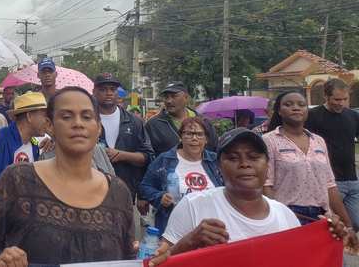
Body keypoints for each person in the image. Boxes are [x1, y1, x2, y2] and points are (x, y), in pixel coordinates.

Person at [0, 87, 135, 266]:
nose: (78, 123)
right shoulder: (18, 180)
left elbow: (129, 257)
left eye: (87, 117)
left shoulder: (118, 193)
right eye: (66, 117)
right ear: (50, 126)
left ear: (98, 128)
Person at [150, 127, 356, 265]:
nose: (244, 164)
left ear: (267, 166)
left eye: (254, 157)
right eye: (232, 158)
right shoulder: (194, 205)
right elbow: (155, 263)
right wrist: (189, 243)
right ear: (219, 167)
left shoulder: (285, 217)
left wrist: (326, 237)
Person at [263, 90, 355, 230]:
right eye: (288, 104)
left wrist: (347, 224)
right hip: (289, 215)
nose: (296, 107)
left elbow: (329, 184)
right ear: (279, 111)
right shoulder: (269, 140)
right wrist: (277, 216)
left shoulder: (318, 141)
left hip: (321, 216)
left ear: (307, 110)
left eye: (302, 104)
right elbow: (266, 184)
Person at [0, 92, 49, 232]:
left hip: (20, 227)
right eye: (44, 115)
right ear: (29, 116)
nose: (48, 120)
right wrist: (1, 209)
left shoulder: (34, 146)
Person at [139, 116, 223, 234]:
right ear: (181, 137)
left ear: (206, 139)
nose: (194, 138)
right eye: (188, 134)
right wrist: (160, 197)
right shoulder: (164, 160)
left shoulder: (216, 161)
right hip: (174, 229)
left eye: (199, 134)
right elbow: (145, 187)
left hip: (211, 229)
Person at [306, 78, 359, 230]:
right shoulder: (312, 116)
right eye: (336, 99)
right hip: (327, 183)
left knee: (355, 223)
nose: (341, 103)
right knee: (331, 226)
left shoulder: (353, 116)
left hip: (352, 179)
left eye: (344, 99)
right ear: (326, 96)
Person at [93, 73, 154, 198]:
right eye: (103, 89)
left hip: (126, 191)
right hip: (93, 189)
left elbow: (148, 157)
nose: (109, 93)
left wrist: (122, 155)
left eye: (112, 89)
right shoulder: (86, 119)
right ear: (94, 92)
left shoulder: (134, 122)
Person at [145, 82, 217, 155]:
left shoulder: (204, 122)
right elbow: (148, 155)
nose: (169, 101)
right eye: (166, 97)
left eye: (174, 96)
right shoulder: (153, 124)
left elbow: (214, 149)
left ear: (186, 98)